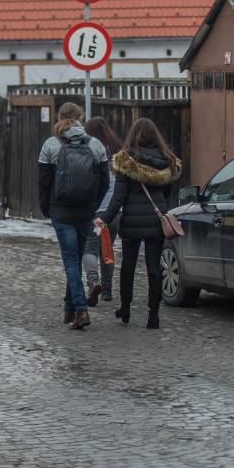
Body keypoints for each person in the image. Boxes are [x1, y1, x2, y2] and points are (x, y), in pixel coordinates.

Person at [94, 118, 182, 329]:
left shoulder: (126, 160)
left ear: (133, 134)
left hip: (132, 221)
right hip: (155, 220)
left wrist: (104, 218)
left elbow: (119, 197)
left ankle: (125, 309)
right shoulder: (166, 159)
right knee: (154, 267)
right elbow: (168, 192)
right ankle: (154, 315)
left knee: (129, 267)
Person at [38, 102, 109, 330]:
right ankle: (69, 308)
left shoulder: (50, 145)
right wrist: (93, 205)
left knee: (70, 259)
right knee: (76, 258)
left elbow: (44, 182)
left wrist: (46, 208)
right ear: (81, 118)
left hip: (60, 210)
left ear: (58, 118)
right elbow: (105, 182)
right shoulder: (96, 145)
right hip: (85, 210)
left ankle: (79, 309)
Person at [82, 117, 123, 306]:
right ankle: (107, 289)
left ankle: (93, 282)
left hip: (95, 210)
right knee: (107, 248)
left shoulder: (89, 150)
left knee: (90, 249)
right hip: (114, 211)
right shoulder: (117, 151)